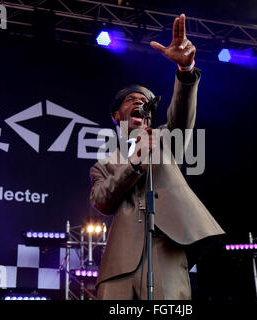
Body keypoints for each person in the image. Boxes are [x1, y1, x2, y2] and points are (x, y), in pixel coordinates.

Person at [89, 13, 225, 300]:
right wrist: (134, 163)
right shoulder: (103, 165)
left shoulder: (165, 139)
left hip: (168, 252)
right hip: (119, 266)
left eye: (144, 100)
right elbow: (102, 200)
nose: (139, 102)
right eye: (131, 100)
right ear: (116, 116)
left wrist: (185, 71)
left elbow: (182, 116)